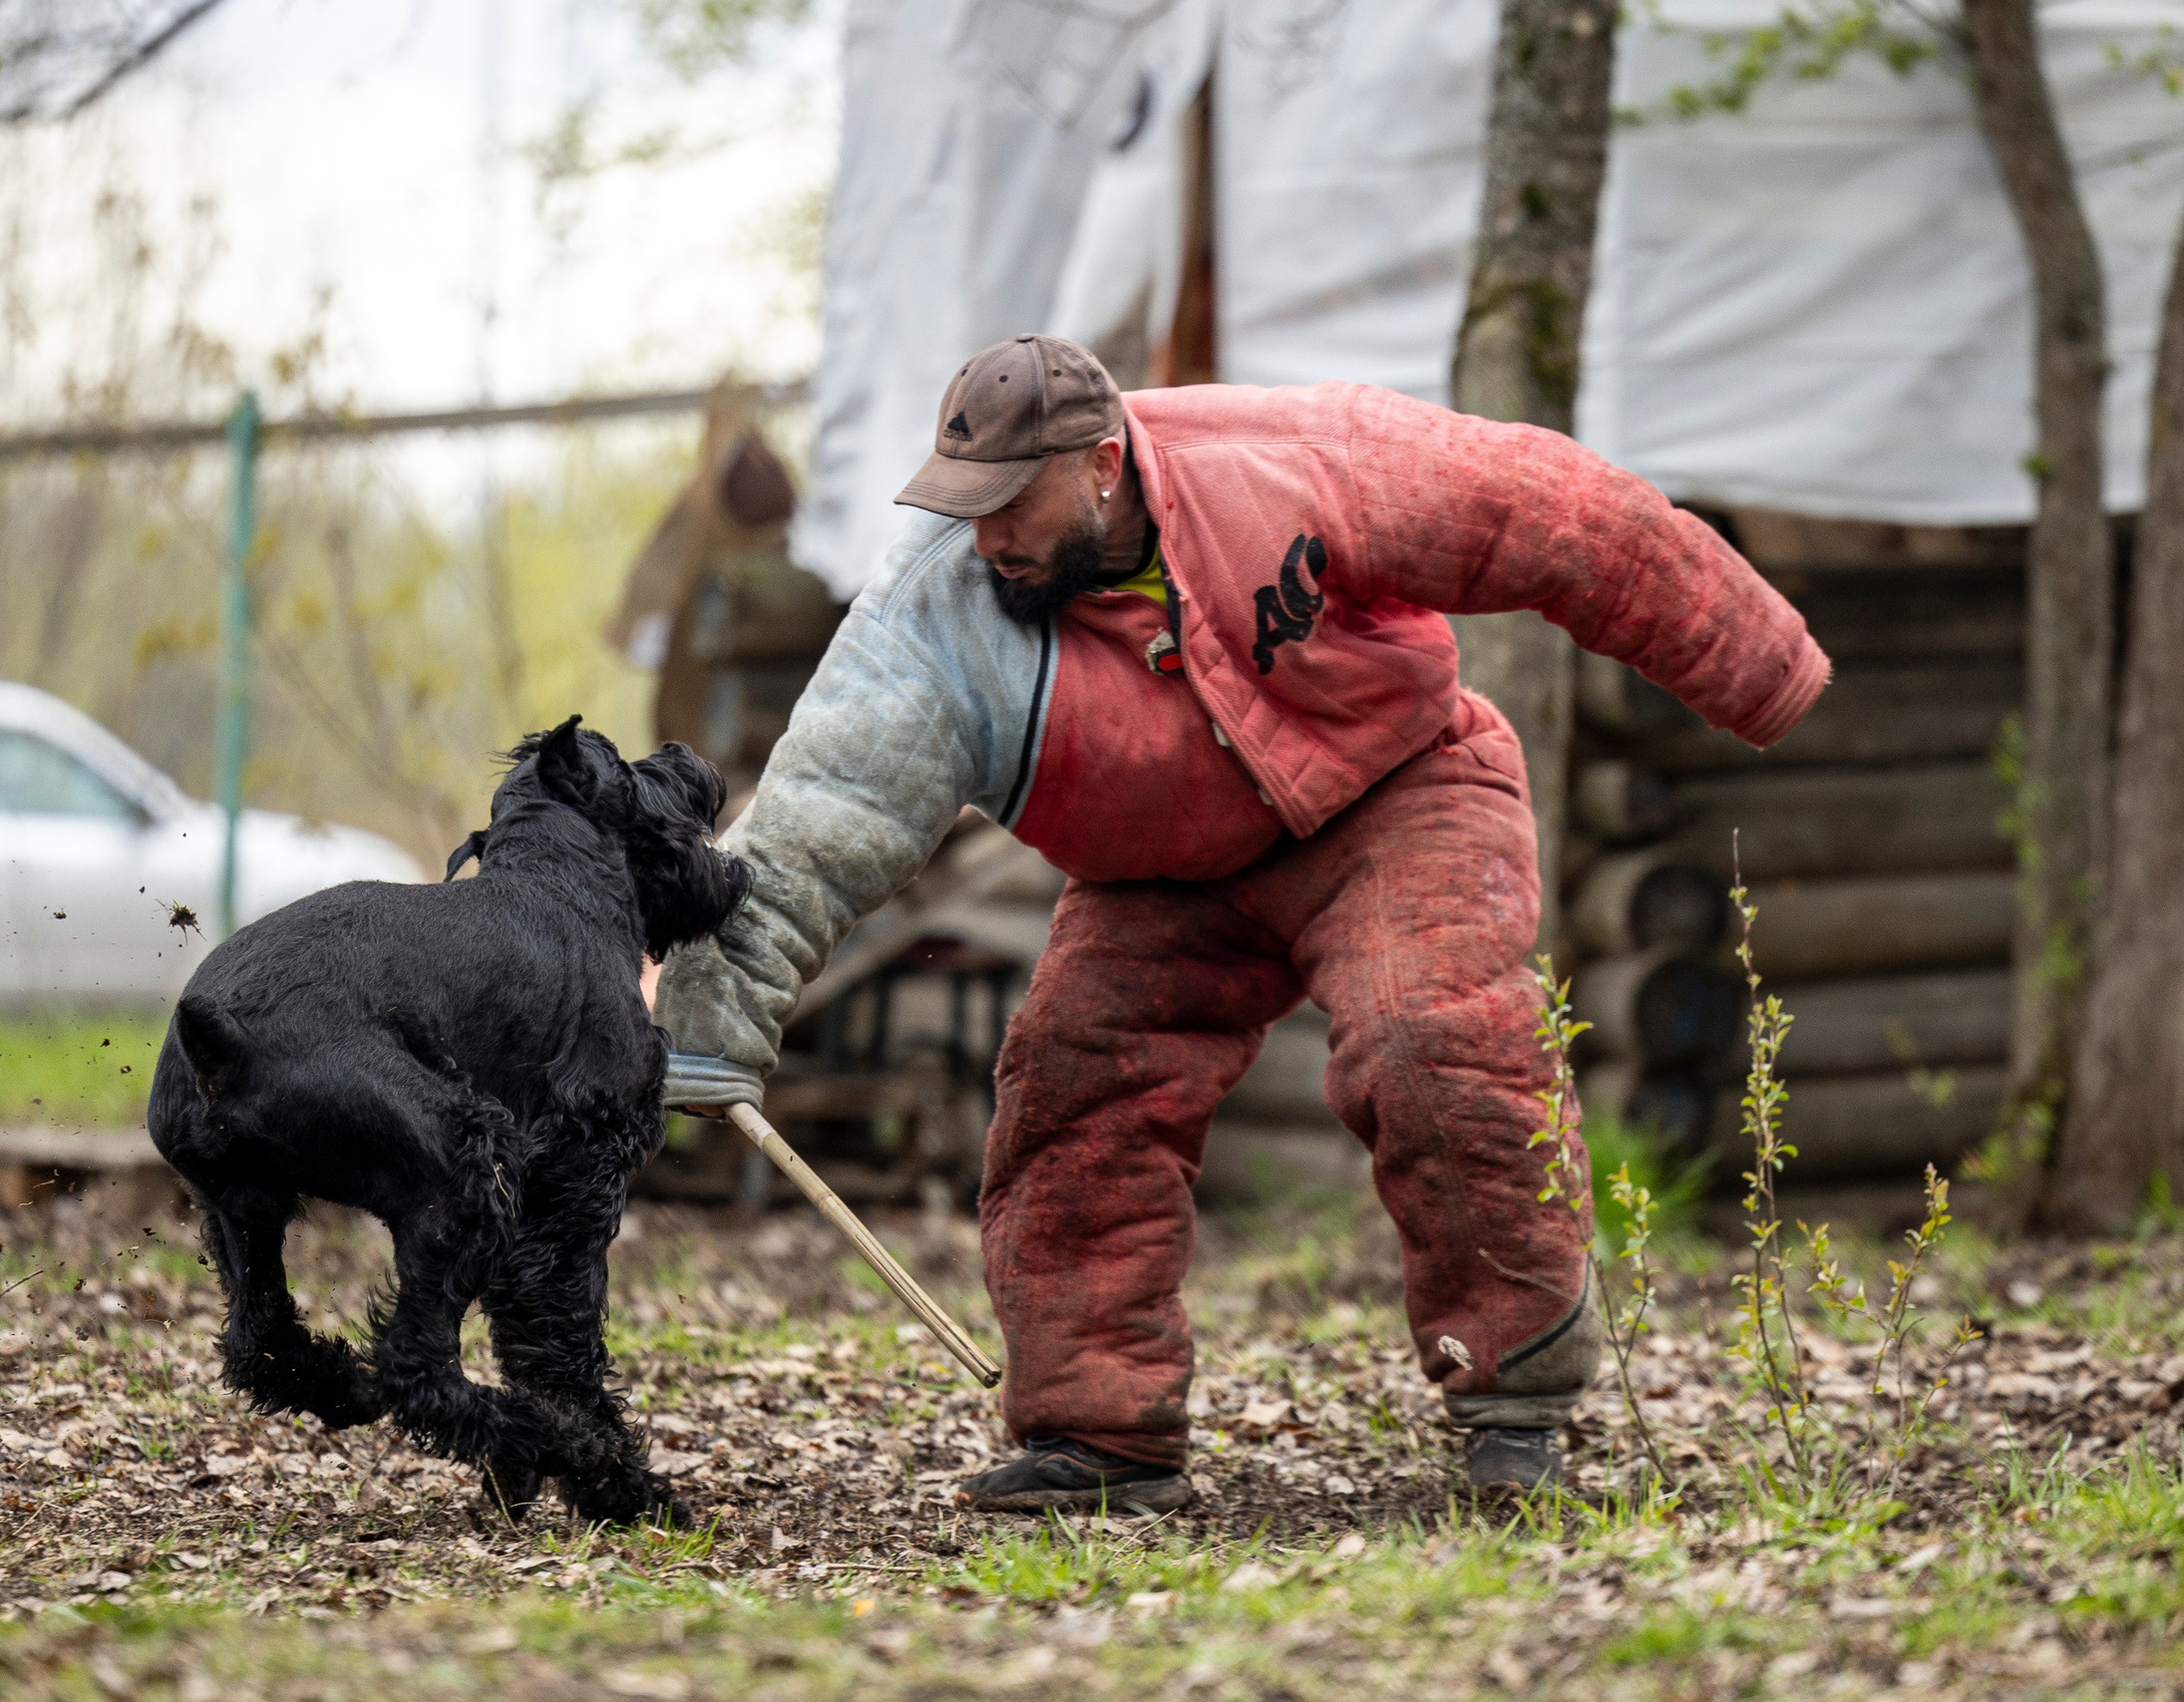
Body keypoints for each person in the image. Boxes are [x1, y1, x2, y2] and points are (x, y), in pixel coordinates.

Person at [657, 335, 1828, 1511]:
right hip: (1161, 876)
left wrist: (1759, 668)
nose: (988, 537)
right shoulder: (936, 617)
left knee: (1433, 1040)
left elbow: (1552, 510)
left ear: (1103, 463)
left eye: (1012, 504)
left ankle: (1514, 1403)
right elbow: (821, 811)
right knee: (1070, 1093)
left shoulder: (1287, 464)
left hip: (1396, 790)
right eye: (965, 505)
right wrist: (707, 1021)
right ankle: (1097, 1438)